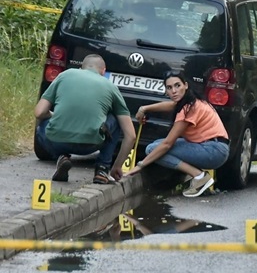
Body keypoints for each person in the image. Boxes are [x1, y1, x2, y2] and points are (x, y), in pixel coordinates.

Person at [123, 71, 230, 198]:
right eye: (169, 88)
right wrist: (144, 108)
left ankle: (199, 176)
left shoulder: (189, 108)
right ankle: (198, 176)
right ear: (166, 91)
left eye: (177, 85)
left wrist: (140, 166)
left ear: (186, 85)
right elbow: (170, 105)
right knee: (156, 145)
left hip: (214, 151)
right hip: (211, 147)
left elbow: (168, 144)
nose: (174, 90)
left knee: (154, 149)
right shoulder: (189, 102)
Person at [34, 54, 137, 184]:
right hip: (90, 144)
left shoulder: (64, 75)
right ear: (103, 71)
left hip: (57, 142)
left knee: (41, 127)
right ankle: (102, 169)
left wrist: (54, 115)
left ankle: (62, 156)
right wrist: (117, 166)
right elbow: (131, 135)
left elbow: (39, 112)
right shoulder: (110, 86)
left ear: (81, 68)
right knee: (116, 119)